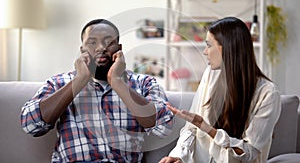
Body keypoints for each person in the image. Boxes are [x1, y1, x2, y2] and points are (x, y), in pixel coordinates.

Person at [21, 19, 174, 163]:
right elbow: (31, 125)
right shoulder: (59, 83)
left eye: (108, 42)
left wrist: (117, 82)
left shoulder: (144, 83)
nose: (101, 47)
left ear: (119, 49)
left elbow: (163, 127)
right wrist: (80, 80)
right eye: (92, 42)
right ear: (82, 50)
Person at [159, 17, 281, 163]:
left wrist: (208, 129)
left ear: (228, 48)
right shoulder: (210, 74)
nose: (205, 52)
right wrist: (179, 155)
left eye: (209, 45)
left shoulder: (268, 94)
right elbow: (191, 128)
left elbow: (248, 152)